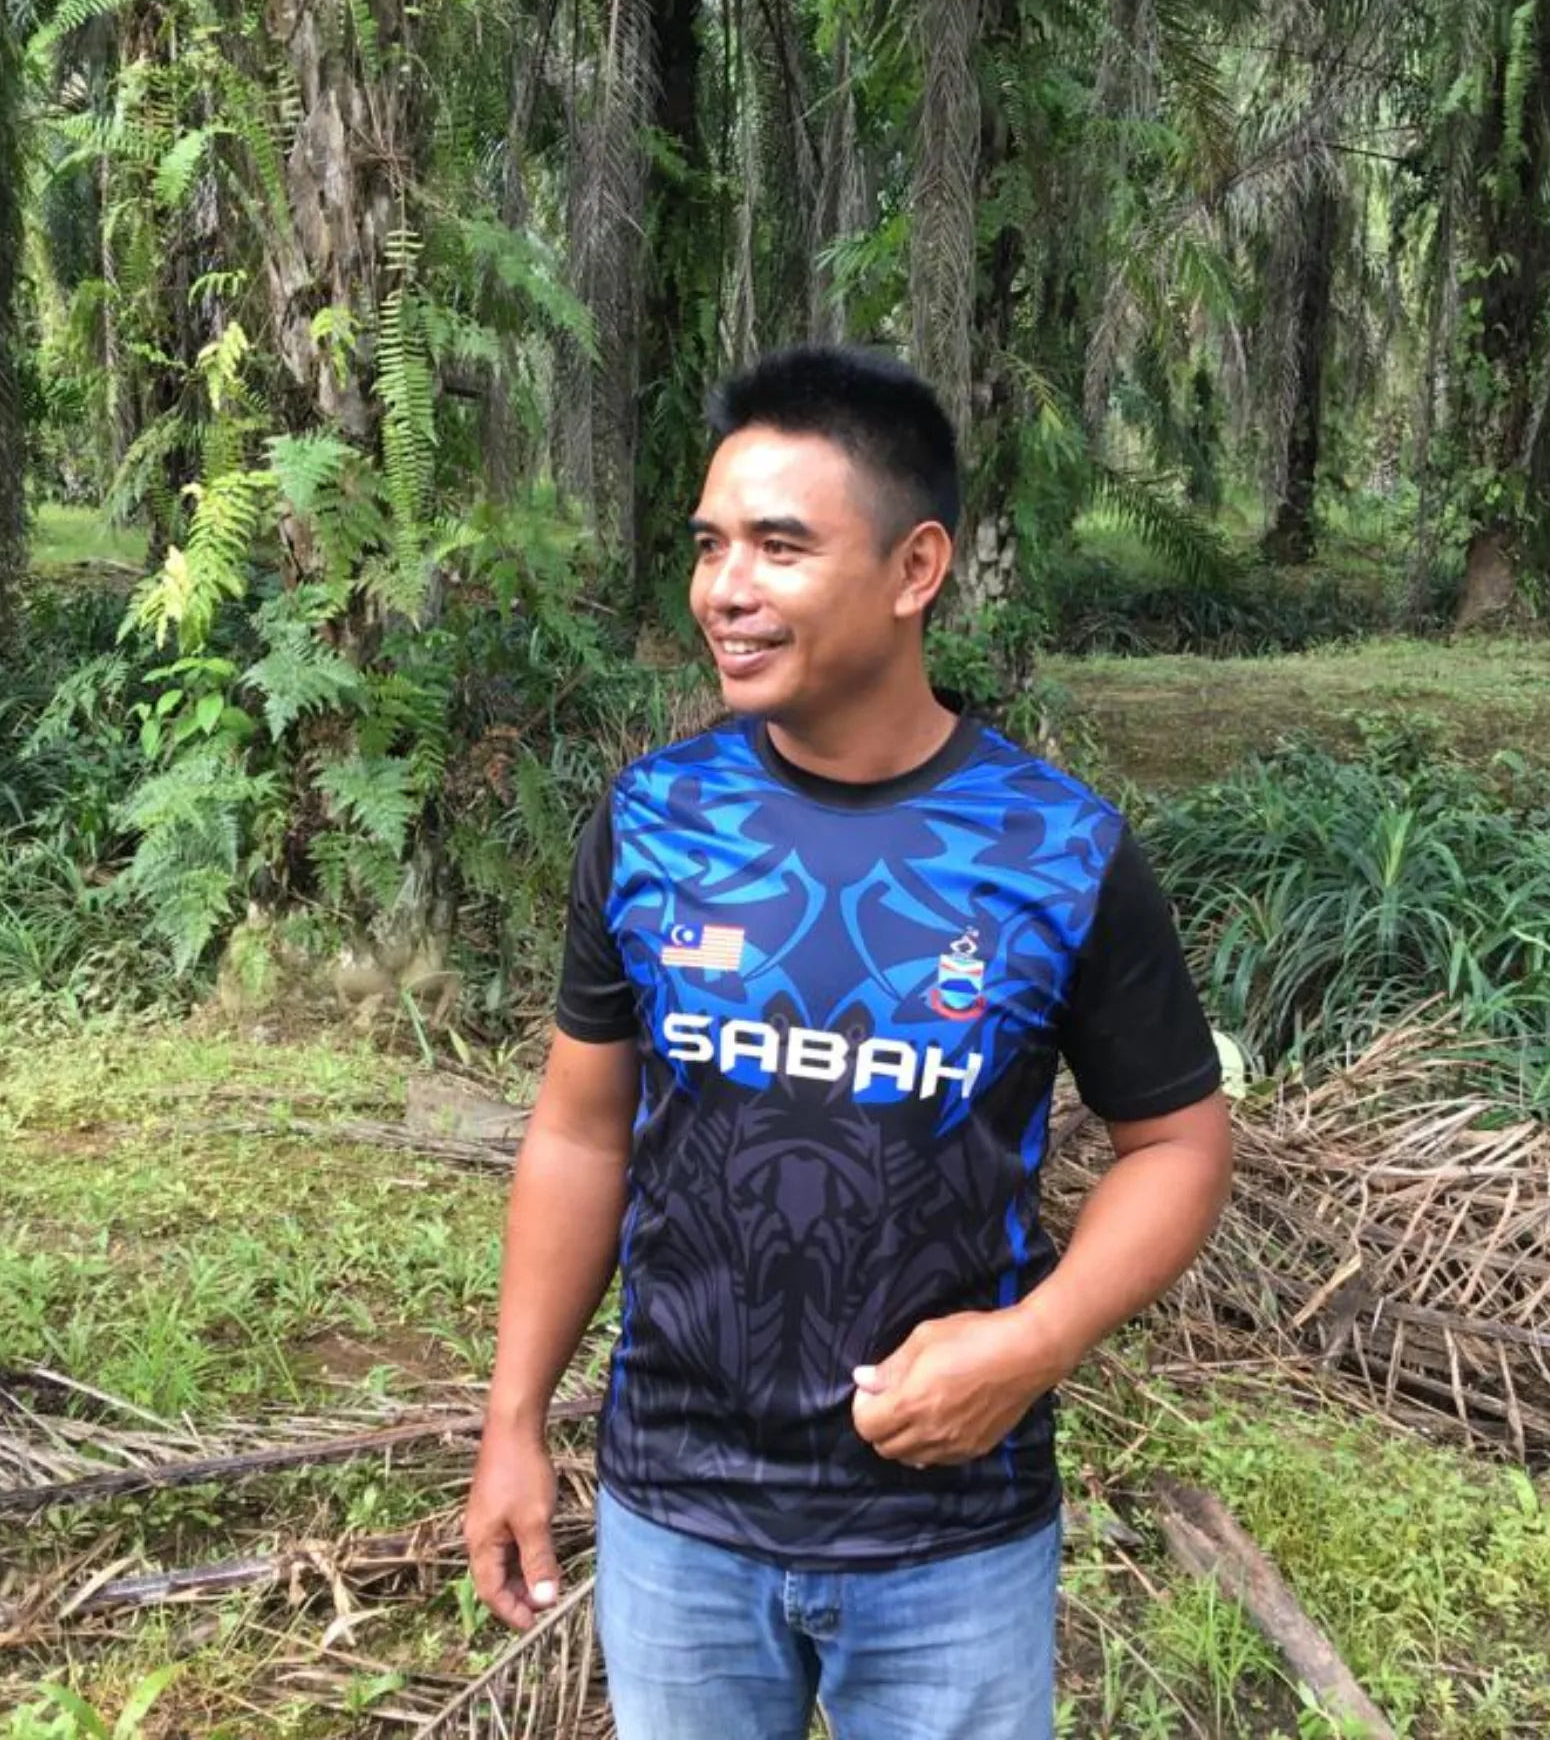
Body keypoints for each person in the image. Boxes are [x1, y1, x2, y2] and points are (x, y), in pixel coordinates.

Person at [463, 345, 1232, 1740]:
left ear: (915, 567)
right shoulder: (652, 827)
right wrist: (515, 1418)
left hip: (953, 1539)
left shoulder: (1055, 851)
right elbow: (578, 1134)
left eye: (778, 545)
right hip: (678, 1515)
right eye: (708, 547)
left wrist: (1033, 1342)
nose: (724, 589)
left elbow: (1177, 1143)